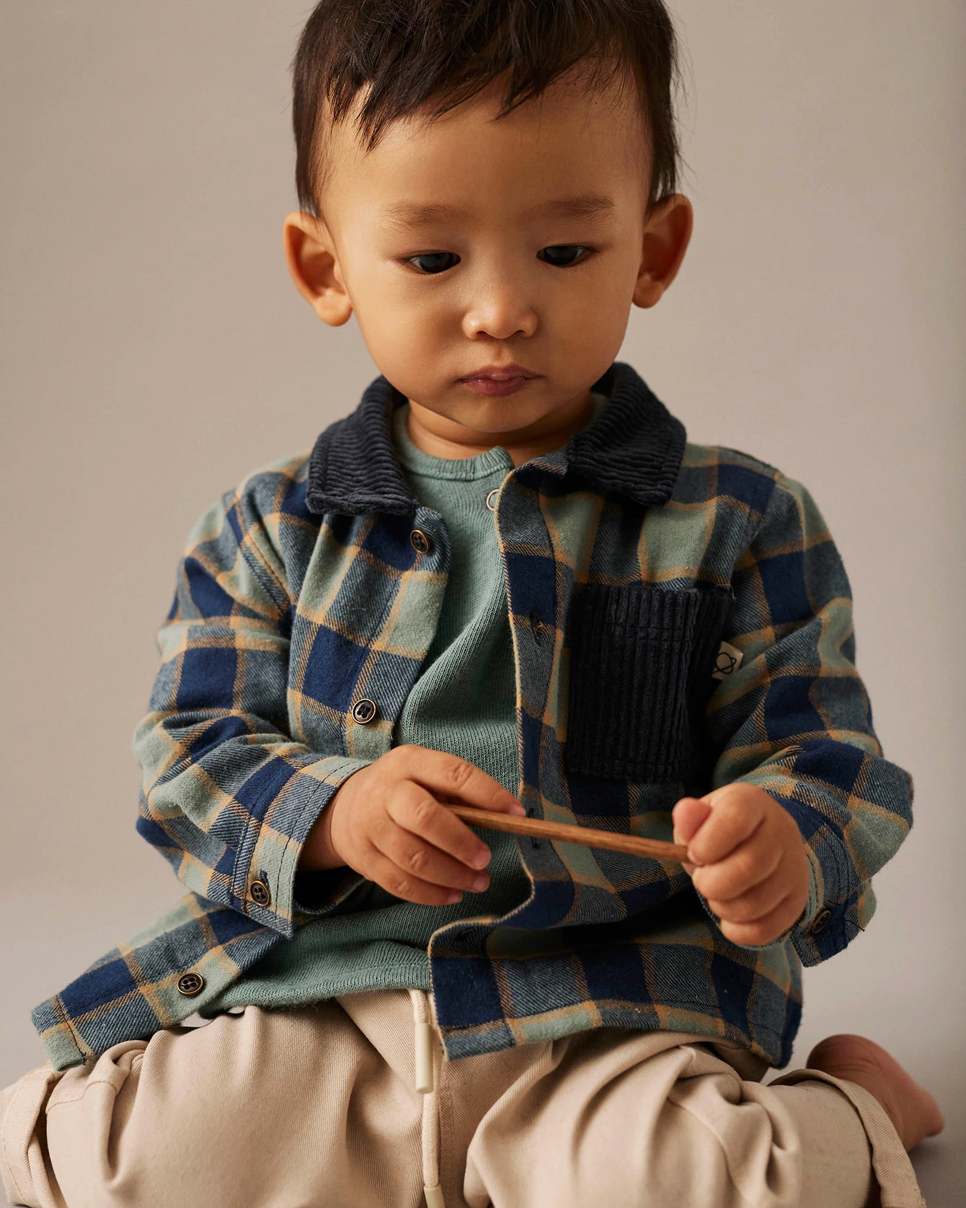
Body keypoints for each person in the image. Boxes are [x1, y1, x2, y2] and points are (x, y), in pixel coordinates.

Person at [0, 2, 944, 1206]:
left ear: (653, 249)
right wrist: (334, 810)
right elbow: (188, 755)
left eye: (565, 251)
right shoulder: (269, 526)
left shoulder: (740, 519)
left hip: (609, 1013)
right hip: (328, 999)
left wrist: (787, 836)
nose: (501, 309)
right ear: (326, 268)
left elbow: (833, 758)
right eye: (434, 260)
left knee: (703, 1177)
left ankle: (859, 1102)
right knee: (113, 1162)